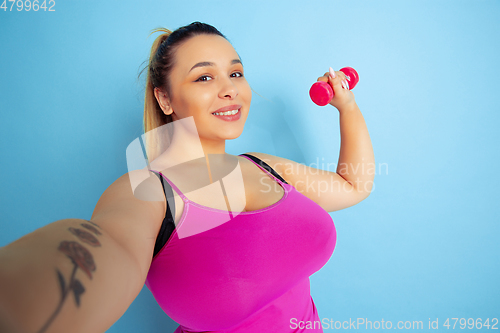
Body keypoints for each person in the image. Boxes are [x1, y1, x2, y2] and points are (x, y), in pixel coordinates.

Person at [0, 22, 374, 333]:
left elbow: (352, 186)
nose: (230, 89)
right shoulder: (150, 191)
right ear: (165, 100)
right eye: (204, 77)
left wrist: (348, 107)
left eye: (236, 73)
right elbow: (107, 247)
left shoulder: (265, 168)